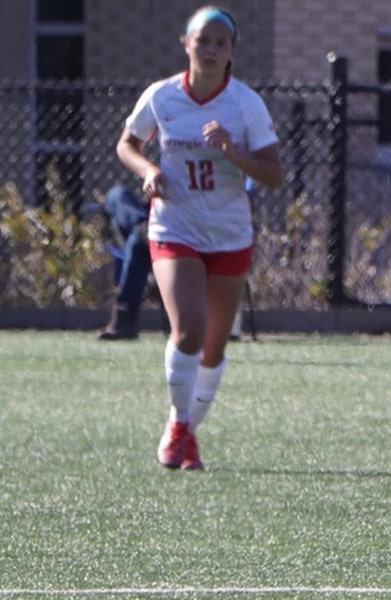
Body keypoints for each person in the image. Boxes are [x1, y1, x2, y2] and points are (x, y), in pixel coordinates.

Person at [116, 5, 284, 470]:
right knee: (188, 329)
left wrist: (233, 152)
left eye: (220, 43)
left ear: (231, 52)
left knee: (214, 345)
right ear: (185, 43)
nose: (210, 49)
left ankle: (188, 430)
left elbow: (274, 174)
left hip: (229, 232)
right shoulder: (162, 96)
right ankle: (178, 424)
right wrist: (149, 169)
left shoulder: (245, 103)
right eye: (202, 40)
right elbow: (127, 144)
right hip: (175, 226)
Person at [97, 185, 152, 341]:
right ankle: (143, 228)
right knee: (117, 194)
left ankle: (124, 316)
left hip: (180, 226)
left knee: (137, 242)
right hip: (152, 213)